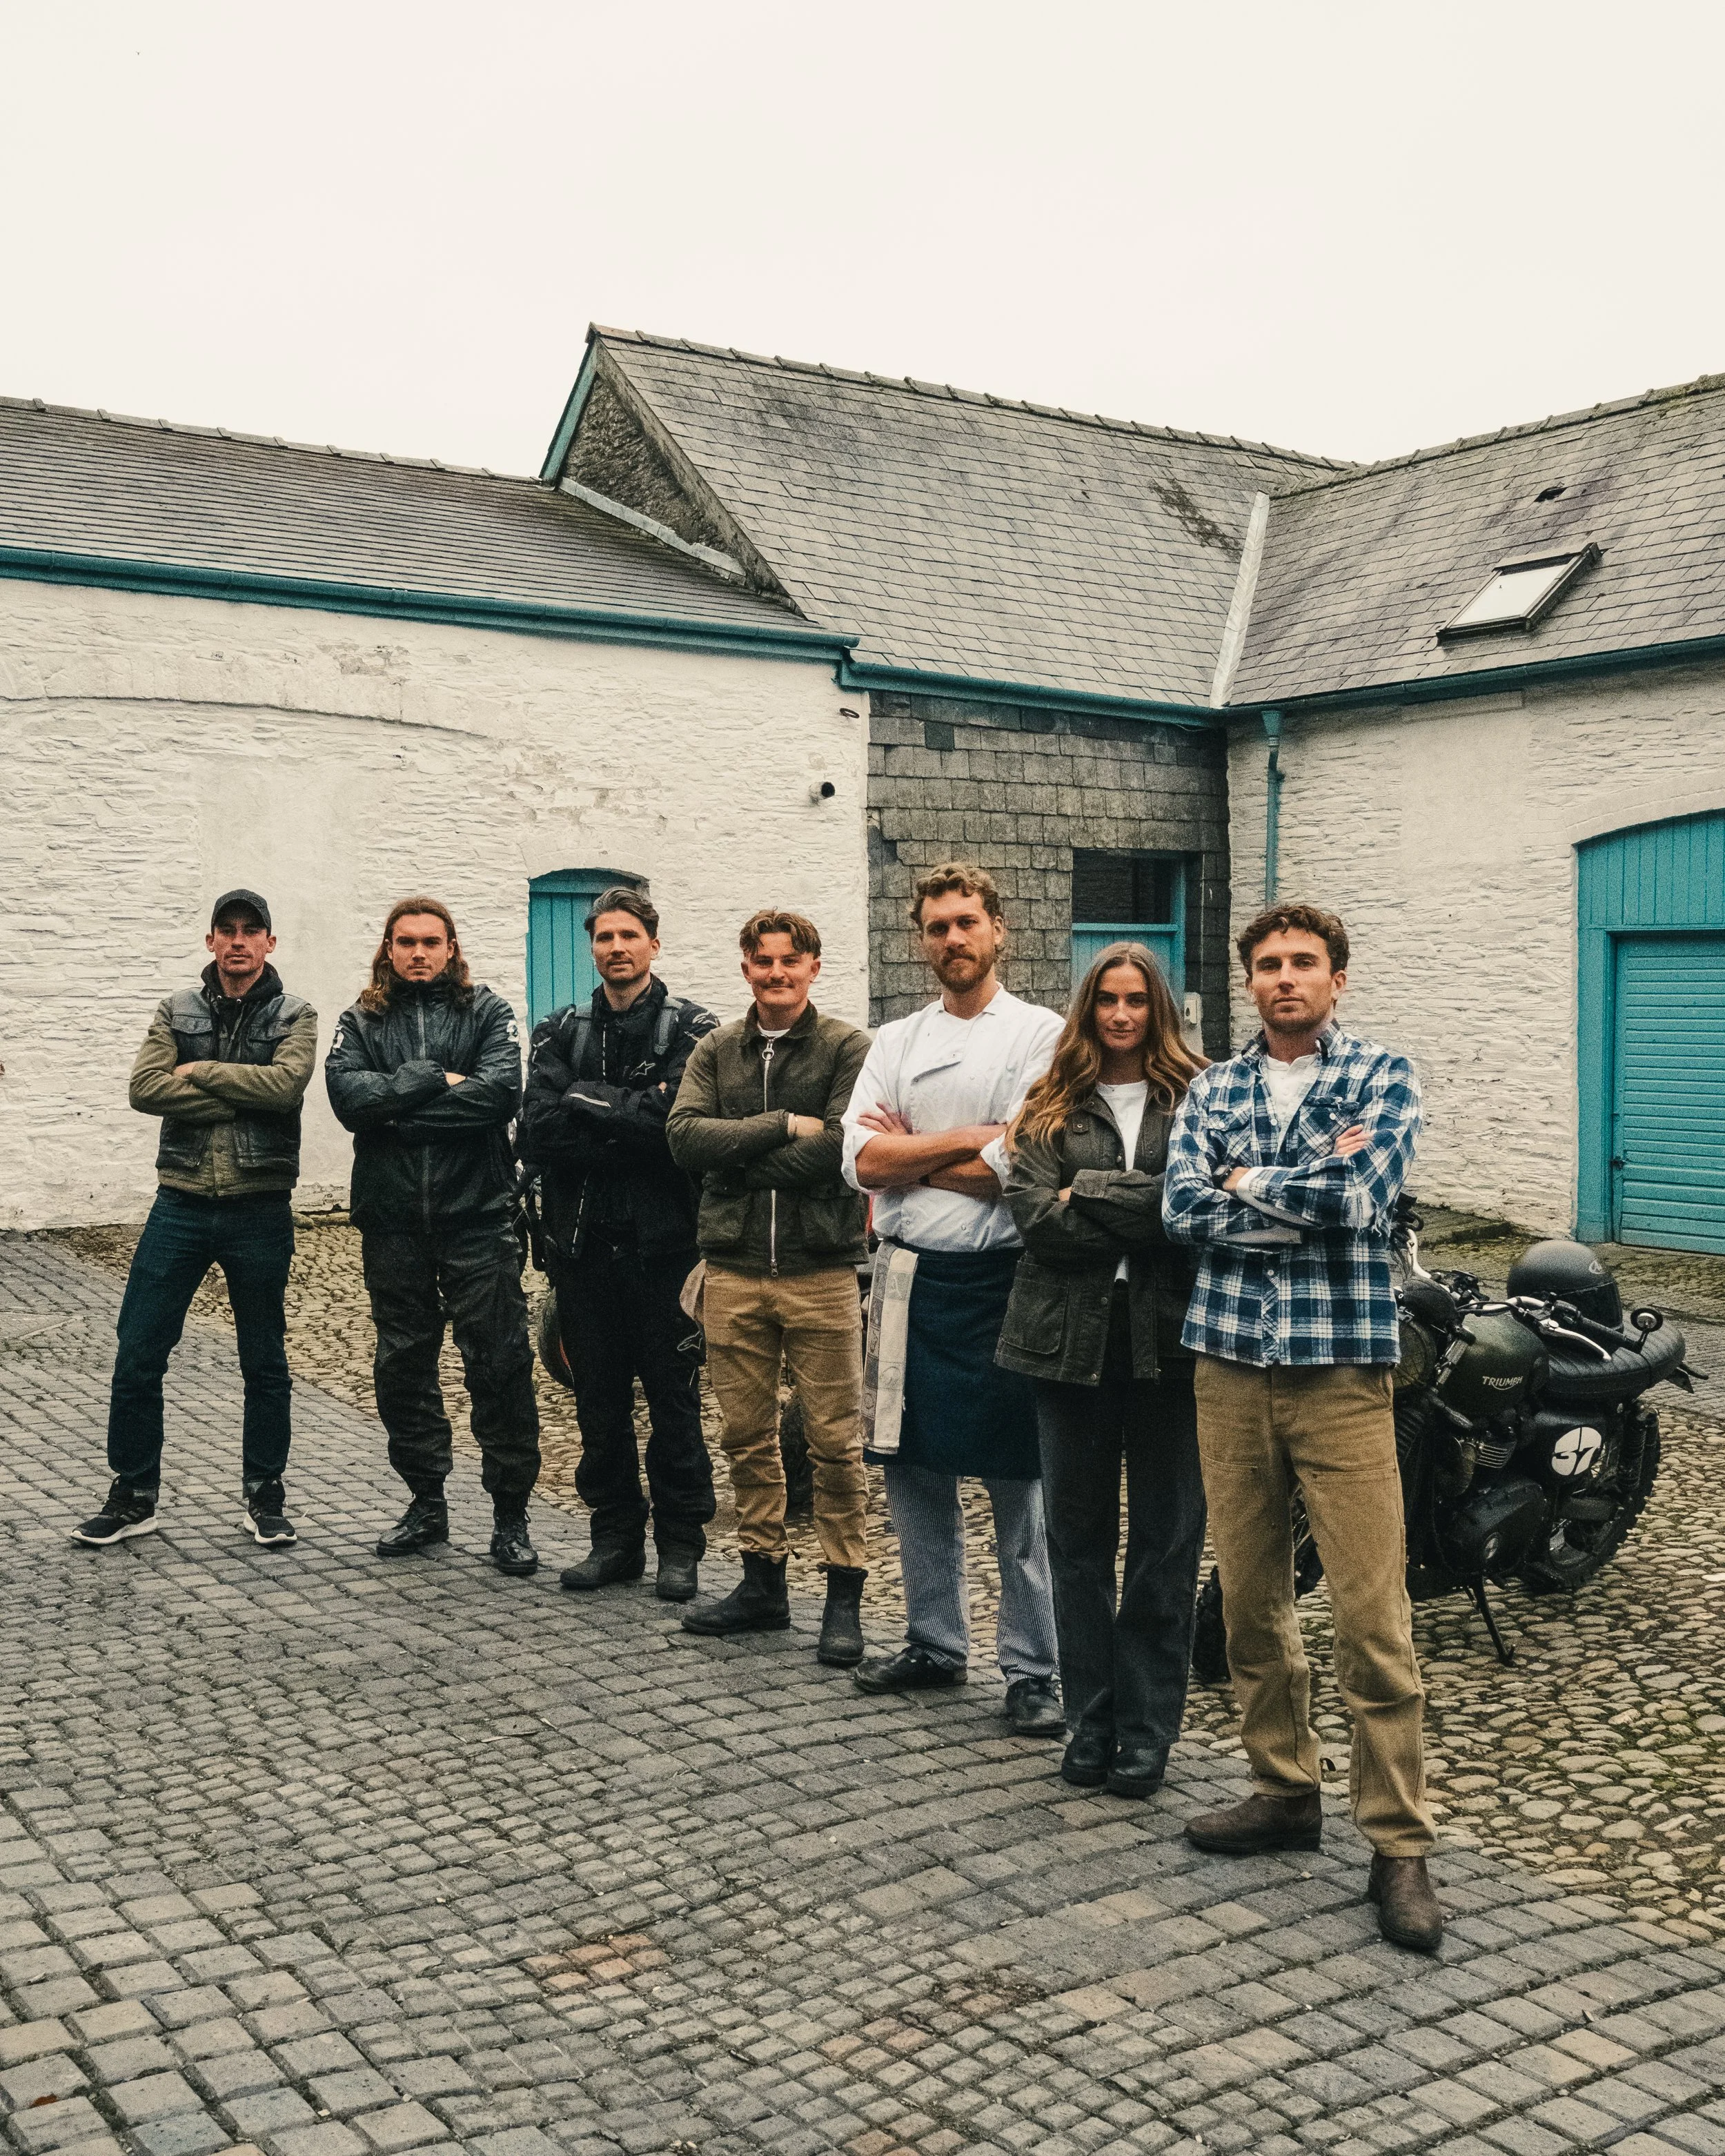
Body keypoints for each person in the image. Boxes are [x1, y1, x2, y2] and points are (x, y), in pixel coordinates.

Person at [1162, 900, 1442, 1953]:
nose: (1285, 977)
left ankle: (1398, 1842)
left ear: (1337, 978)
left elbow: (1360, 1197)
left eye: (1304, 962)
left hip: (1342, 1374)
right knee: (1249, 1601)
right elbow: (1180, 1209)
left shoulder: (1382, 1077)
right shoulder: (1213, 1087)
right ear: (1251, 980)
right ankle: (1284, 1790)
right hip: (1230, 1368)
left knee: (1372, 1615)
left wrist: (1241, 1180)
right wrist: (1291, 1187)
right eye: (1269, 963)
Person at [842, 862, 1065, 1737]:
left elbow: (1026, 1162)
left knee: (1020, 1482)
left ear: (997, 927)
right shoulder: (895, 1041)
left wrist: (917, 1155)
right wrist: (973, 1140)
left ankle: (1034, 1666)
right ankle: (934, 1641)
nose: (952, 939)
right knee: (912, 1470)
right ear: (920, 940)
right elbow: (860, 1160)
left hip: (1005, 1280)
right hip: (908, 1280)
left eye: (966, 921)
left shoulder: (1042, 1035)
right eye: (937, 926)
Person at [998, 942, 1207, 1798]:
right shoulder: (1047, 1101)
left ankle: (1147, 1728)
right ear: (1087, 1010)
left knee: (1166, 1539)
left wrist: (1084, 1191)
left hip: (1170, 1340)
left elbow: (1190, 1211)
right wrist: (1135, 1199)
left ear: (1159, 1009)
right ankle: (1091, 1717)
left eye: (1136, 1000)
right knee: (1077, 1540)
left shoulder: (1199, 1097)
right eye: (1107, 1000)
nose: (1121, 1015)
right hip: (1064, 1340)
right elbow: (1035, 1221)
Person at [72, 890, 317, 1551]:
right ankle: (134, 1495)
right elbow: (145, 1088)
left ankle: (265, 1495)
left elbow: (285, 1088)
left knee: (264, 1360)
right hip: (178, 1203)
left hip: (259, 1206)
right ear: (210, 940)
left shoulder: (296, 1014)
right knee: (138, 1352)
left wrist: (202, 1070)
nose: (238, 941)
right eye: (226, 930)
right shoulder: (174, 1009)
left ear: (269, 943)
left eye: (251, 930)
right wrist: (241, 1092)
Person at [666, 908, 872, 1663]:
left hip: (822, 1271)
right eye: (763, 961)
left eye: (791, 961)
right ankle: (762, 1582)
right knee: (746, 1437)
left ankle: (844, 1591)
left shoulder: (848, 1046)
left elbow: (844, 1147)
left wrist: (735, 1161)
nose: (777, 974)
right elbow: (684, 1138)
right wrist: (784, 1122)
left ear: (813, 967)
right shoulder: (717, 1048)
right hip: (734, 1270)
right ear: (746, 967)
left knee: (835, 1443)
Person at [325, 896, 542, 1575]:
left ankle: (510, 1513)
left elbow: (498, 1094)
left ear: (451, 948)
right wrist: (429, 1079)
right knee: (402, 1365)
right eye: (406, 941)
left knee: (500, 1363)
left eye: (430, 941)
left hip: (477, 1215)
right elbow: (348, 1101)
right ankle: (425, 1500)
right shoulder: (361, 1020)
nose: (418, 953)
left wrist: (398, 1117)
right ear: (388, 949)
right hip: (392, 1222)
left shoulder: (488, 1012)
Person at [518, 887, 718, 1602]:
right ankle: (614, 1538)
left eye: (629, 935)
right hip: (581, 1249)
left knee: (674, 1404)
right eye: (604, 937)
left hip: (666, 1251)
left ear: (653, 943)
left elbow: (680, 1130)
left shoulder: (695, 1028)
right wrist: (631, 1117)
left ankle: (681, 1544)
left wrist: (588, 1100)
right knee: (598, 1405)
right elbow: (538, 1129)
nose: (616, 948)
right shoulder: (559, 1031)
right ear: (592, 948)